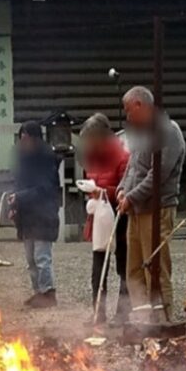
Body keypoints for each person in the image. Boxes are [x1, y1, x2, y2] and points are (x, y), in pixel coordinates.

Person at [116, 87, 185, 322]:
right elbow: (132, 167)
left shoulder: (168, 131)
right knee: (133, 269)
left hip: (157, 208)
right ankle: (143, 322)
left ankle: (163, 322)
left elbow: (159, 174)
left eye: (128, 110)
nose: (127, 116)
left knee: (155, 269)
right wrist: (122, 189)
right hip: (135, 209)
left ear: (139, 105)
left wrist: (131, 196)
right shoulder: (142, 133)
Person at [79, 112, 129, 324]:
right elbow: (86, 179)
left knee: (123, 265)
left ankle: (123, 313)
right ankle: (98, 312)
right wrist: (91, 192)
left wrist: (103, 191)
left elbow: (125, 188)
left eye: (91, 140)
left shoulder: (122, 156)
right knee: (98, 267)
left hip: (120, 215)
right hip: (99, 217)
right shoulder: (90, 158)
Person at [10, 120, 60, 309]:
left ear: (36, 139)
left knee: (42, 257)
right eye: (22, 138)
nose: (24, 143)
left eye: (27, 138)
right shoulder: (23, 159)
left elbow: (45, 188)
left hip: (43, 214)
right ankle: (38, 292)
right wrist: (14, 206)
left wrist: (20, 197)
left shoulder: (46, 158)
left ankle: (48, 292)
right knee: (30, 259)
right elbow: (18, 184)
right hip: (27, 215)